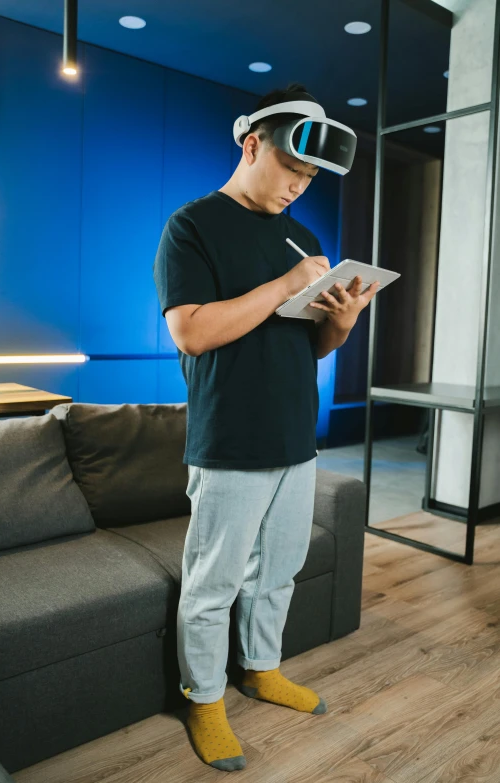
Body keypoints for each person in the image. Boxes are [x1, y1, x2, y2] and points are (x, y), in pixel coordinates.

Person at [153, 81, 378, 772]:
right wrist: (284, 285)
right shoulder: (191, 226)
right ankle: (205, 698)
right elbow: (191, 331)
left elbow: (307, 346)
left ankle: (261, 666)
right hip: (230, 438)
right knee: (213, 580)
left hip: (293, 435)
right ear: (253, 145)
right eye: (292, 171)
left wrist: (341, 318)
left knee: (279, 568)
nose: (299, 189)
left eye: (310, 179)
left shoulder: (301, 236)